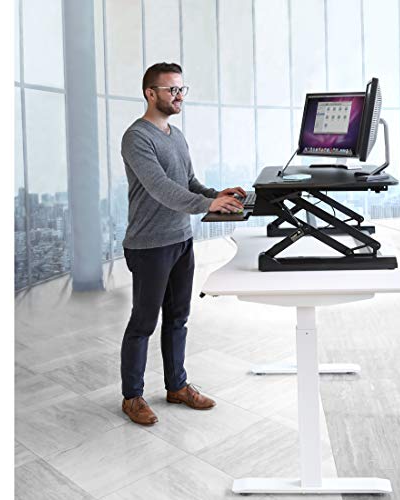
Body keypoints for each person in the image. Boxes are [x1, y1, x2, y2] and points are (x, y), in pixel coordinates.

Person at [120, 62, 245, 425]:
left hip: (180, 239)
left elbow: (187, 182)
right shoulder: (137, 138)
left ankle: (177, 386)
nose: (178, 96)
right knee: (143, 322)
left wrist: (215, 194)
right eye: (171, 90)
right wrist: (208, 204)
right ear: (150, 93)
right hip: (149, 245)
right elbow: (161, 189)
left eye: (181, 89)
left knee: (178, 318)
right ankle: (132, 396)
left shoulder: (175, 135)